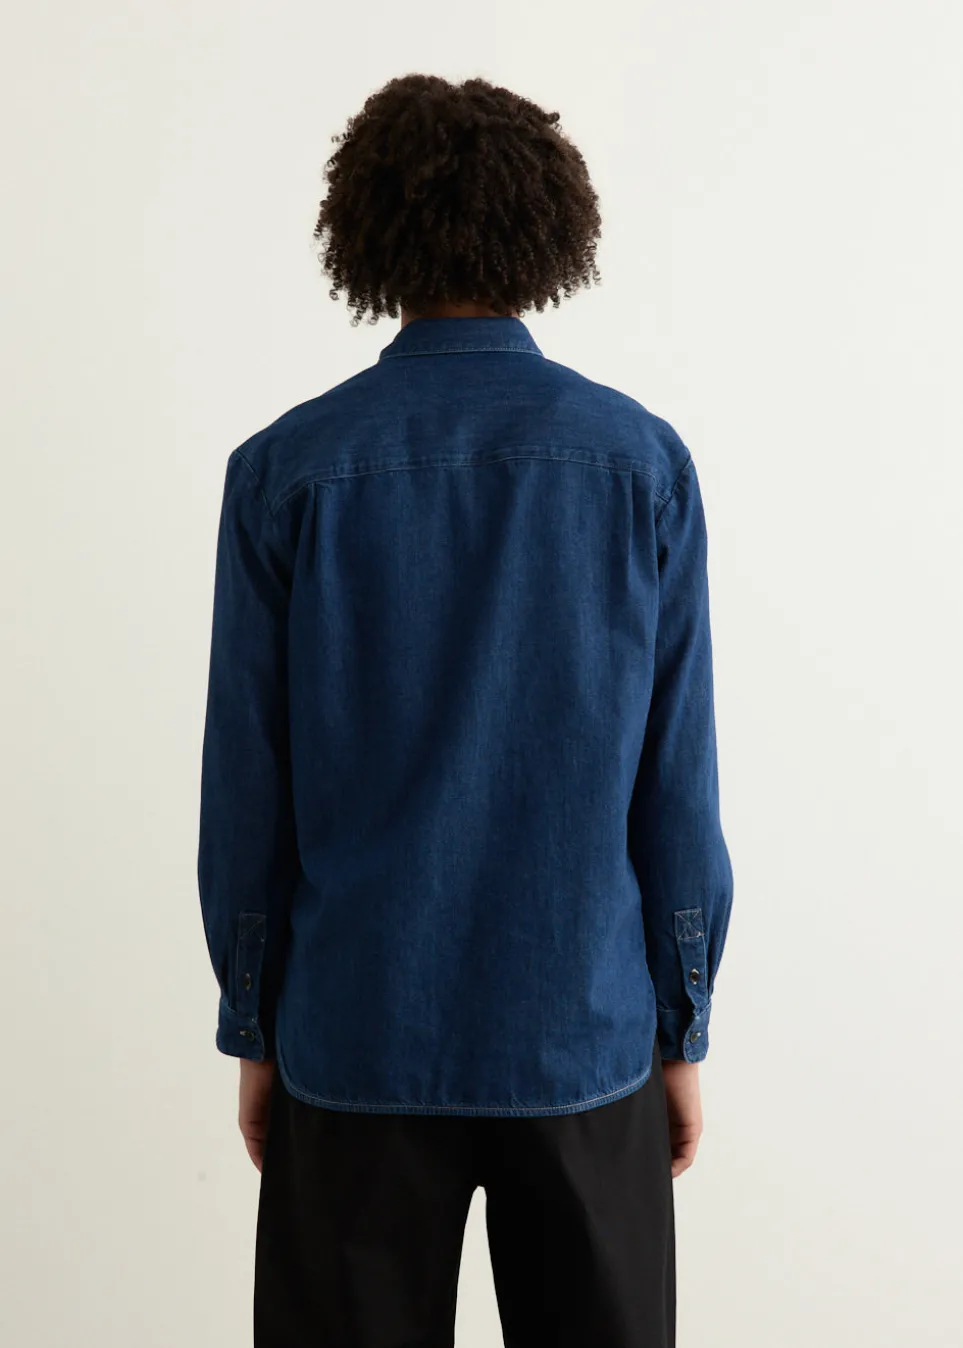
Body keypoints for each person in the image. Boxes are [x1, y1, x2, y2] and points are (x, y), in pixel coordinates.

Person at [197, 72, 733, 1348]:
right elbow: (677, 787)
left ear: (365, 231)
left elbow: (247, 793)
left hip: (354, 1036)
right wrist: (681, 1025)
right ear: (546, 230)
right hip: (583, 1035)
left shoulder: (283, 473)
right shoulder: (640, 464)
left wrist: (255, 1024)